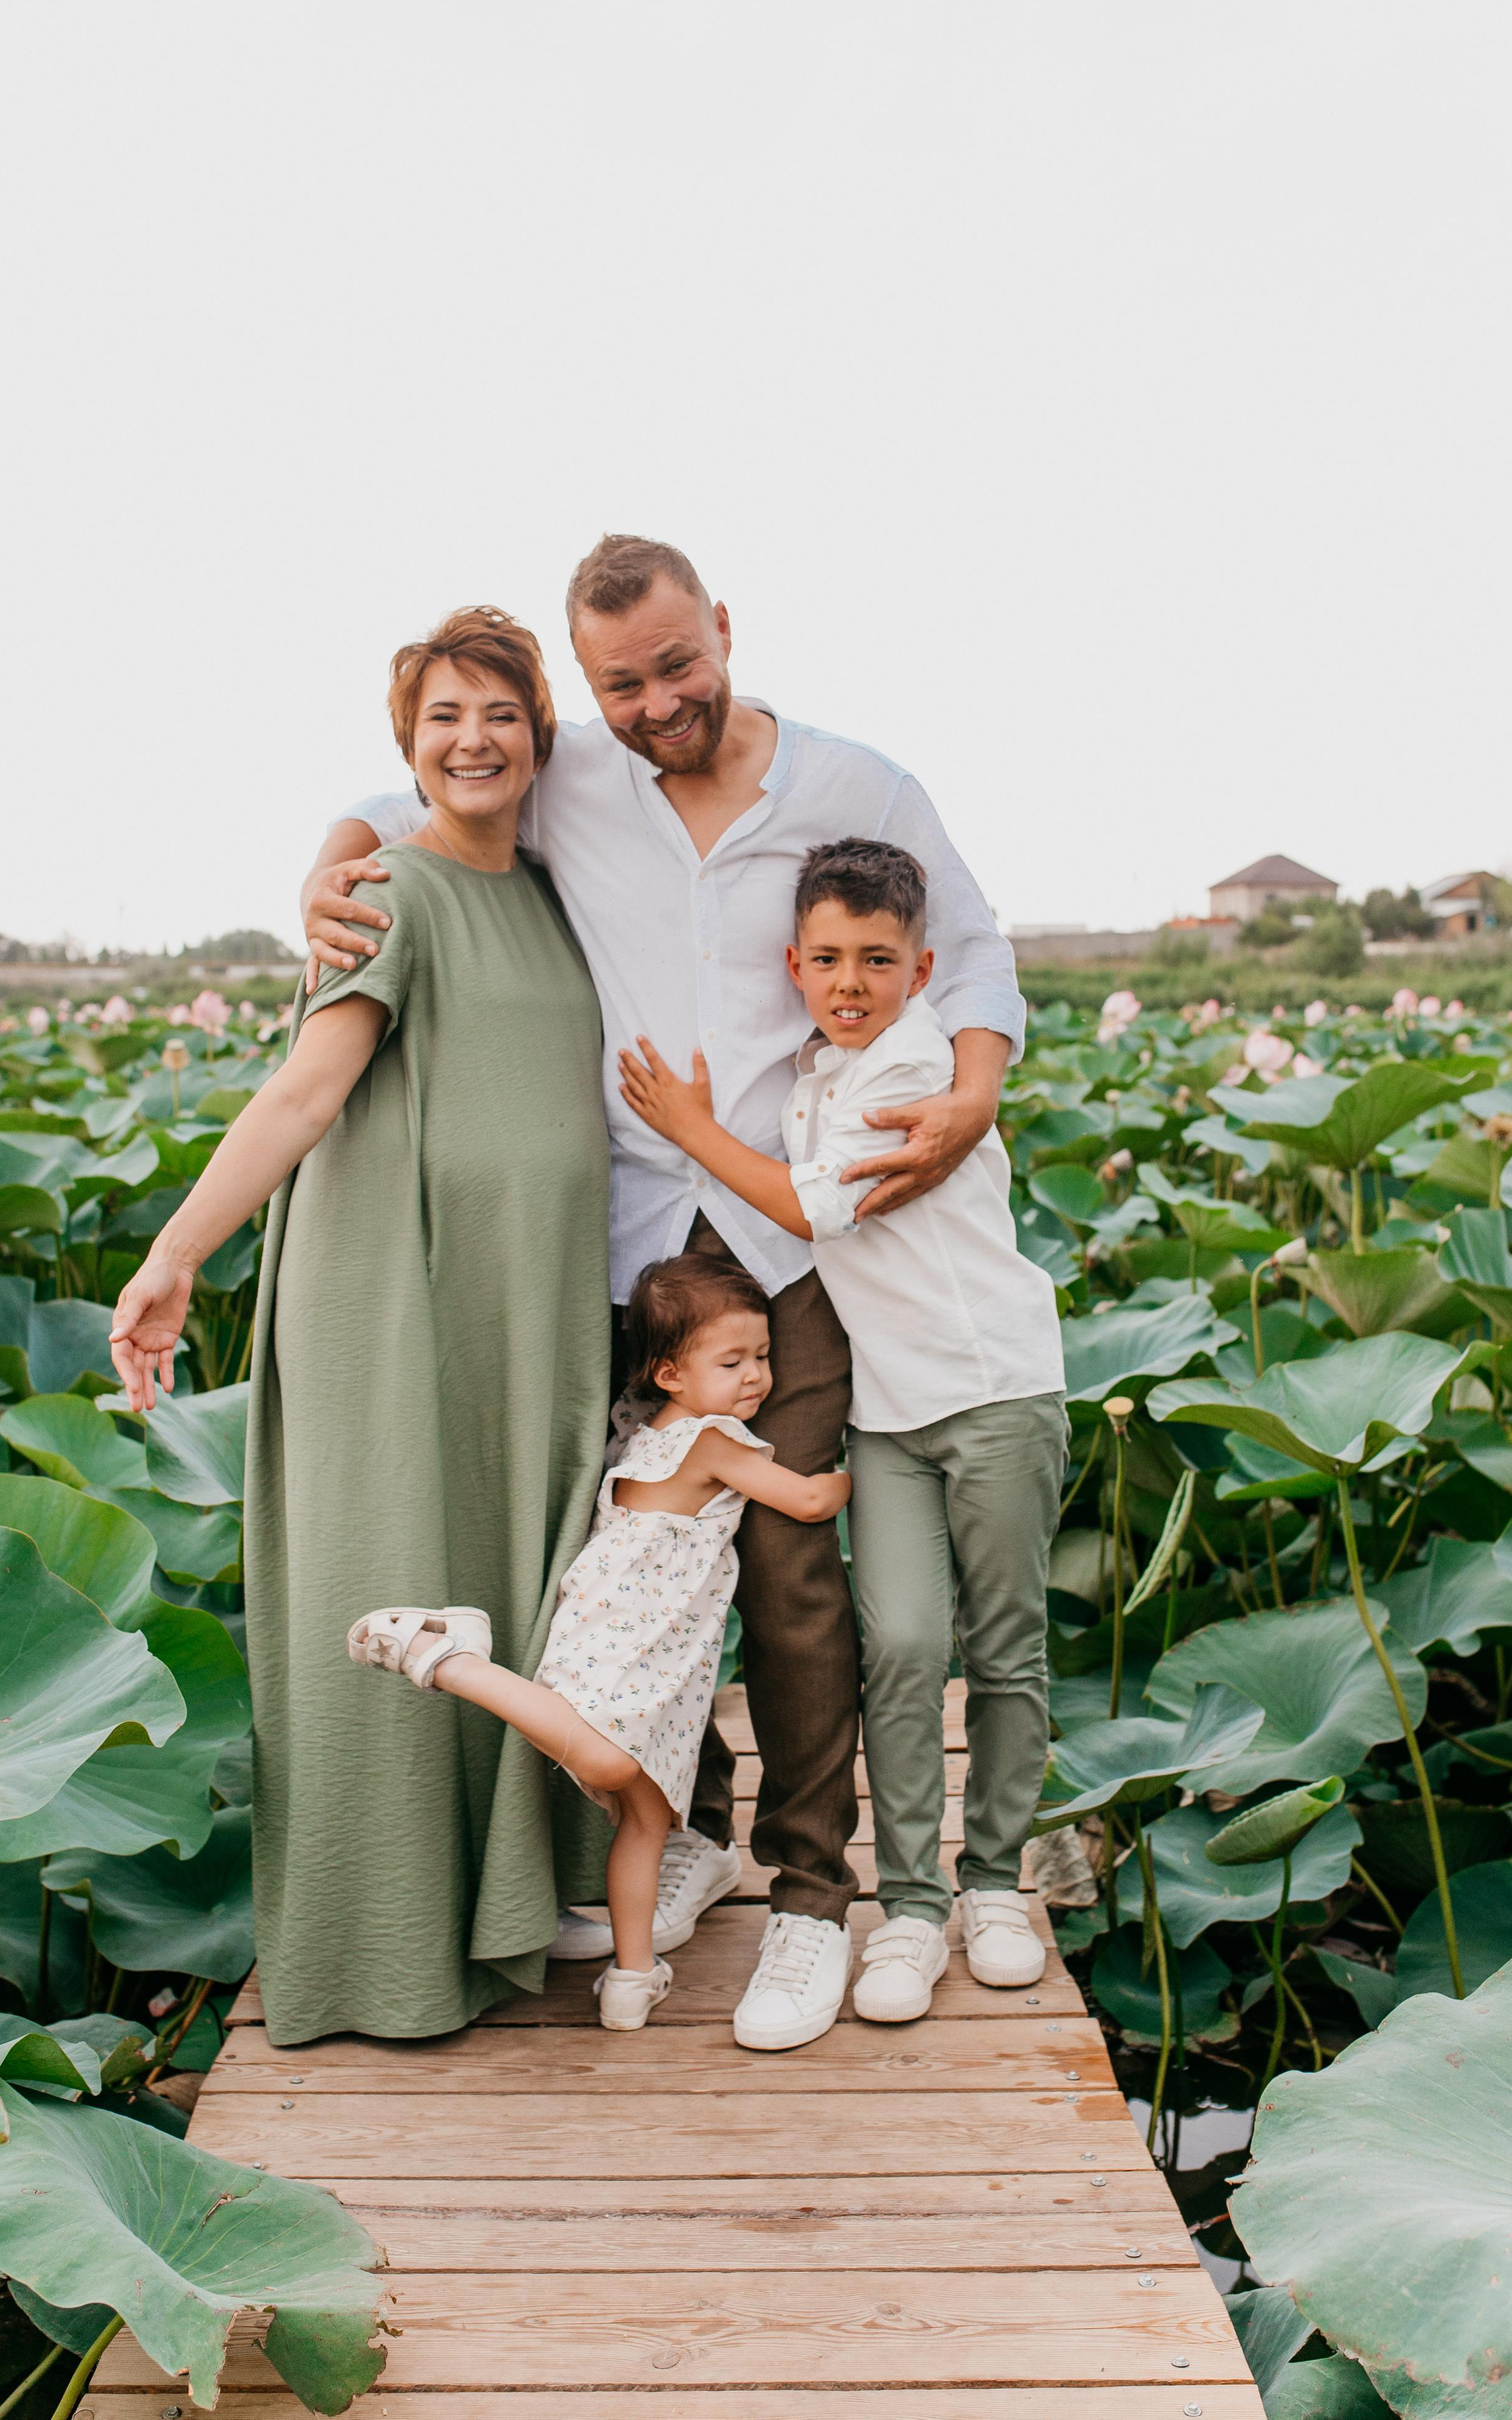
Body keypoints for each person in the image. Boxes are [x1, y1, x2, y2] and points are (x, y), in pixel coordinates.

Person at [303, 532, 1026, 2051]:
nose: (654, 703)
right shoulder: (574, 775)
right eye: (619, 683)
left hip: (787, 1244)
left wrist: (966, 1096)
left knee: (789, 1578)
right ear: (589, 686)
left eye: (676, 666)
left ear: (724, 633)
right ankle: (676, 1833)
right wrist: (331, 852)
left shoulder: (855, 785)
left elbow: (974, 958)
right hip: (630, 1243)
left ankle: (814, 1900)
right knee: (634, 1559)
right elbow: (411, 801)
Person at [109, 606, 616, 2046]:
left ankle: (518, 1904)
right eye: (443, 718)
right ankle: (384, 1953)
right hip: (398, 1284)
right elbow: (304, 1094)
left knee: (516, 1573)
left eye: (500, 714)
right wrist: (174, 1255)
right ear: (406, 746)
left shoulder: (551, 884)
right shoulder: (383, 895)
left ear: (539, 736)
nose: (475, 740)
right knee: (396, 1560)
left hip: (526, 1298)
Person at [619, 836, 1067, 2025]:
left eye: (877, 960)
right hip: (888, 1412)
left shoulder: (909, 1072)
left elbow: (811, 1209)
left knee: (1007, 1650)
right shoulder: (822, 1072)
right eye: (827, 959)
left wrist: (689, 1127)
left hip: (995, 1390)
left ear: (922, 970)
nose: (851, 981)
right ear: (795, 965)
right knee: (907, 1648)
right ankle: (912, 1907)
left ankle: (996, 1888)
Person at [347, 1251, 850, 2032]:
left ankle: (632, 1972)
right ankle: (448, 1659)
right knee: (610, 1764)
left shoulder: (644, 1436)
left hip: (658, 1667)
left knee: (646, 1823)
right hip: (623, 1647)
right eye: (732, 1361)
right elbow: (811, 1500)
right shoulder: (711, 1441)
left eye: (763, 1356)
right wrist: (857, 1473)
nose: (756, 1376)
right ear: (670, 1374)